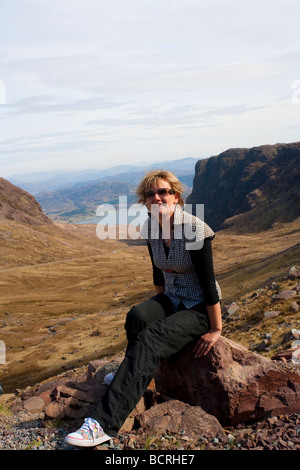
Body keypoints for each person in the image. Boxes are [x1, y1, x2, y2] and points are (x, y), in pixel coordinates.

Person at [65, 169, 222, 447]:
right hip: (172, 298)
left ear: (175, 196)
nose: (157, 198)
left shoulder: (195, 229)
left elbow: (209, 284)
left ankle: (103, 425)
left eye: (163, 192)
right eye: (150, 194)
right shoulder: (150, 228)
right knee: (138, 317)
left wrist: (215, 328)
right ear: (145, 201)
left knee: (152, 337)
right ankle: (136, 377)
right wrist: (157, 307)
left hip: (199, 306)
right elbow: (158, 273)